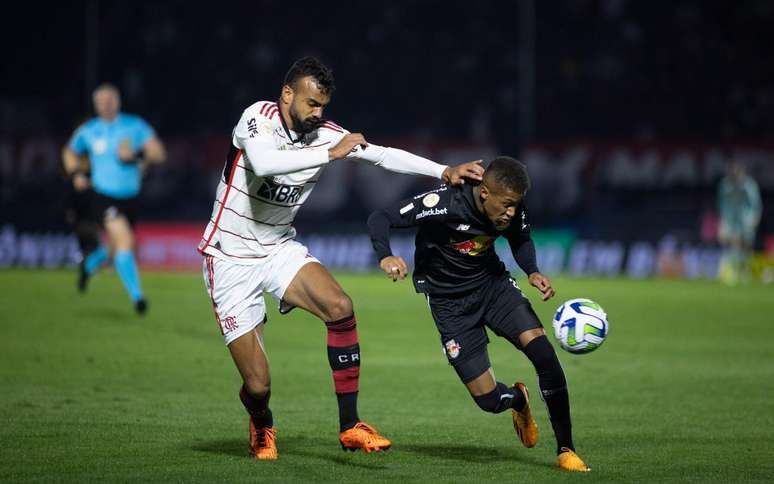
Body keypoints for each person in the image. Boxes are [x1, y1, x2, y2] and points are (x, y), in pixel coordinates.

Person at [197, 56, 483, 460]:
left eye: (323, 107)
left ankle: (350, 426)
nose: (318, 113)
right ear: (287, 94)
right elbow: (264, 163)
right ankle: (262, 422)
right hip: (228, 257)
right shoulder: (256, 119)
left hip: (278, 248)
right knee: (258, 385)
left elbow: (382, 155)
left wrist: (444, 171)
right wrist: (331, 155)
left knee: (340, 306)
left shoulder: (326, 134)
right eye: (312, 104)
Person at [367, 156, 591, 472]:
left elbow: (521, 237)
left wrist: (532, 271)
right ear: (484, 192)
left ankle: (566, 449)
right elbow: (381, 217)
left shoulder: (511, 208)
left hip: (493, 287)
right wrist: (386, 256)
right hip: (449, 304)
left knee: (543, 354)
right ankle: (517, 400)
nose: (511, 212)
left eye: (516, 205)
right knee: (489, 401)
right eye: (507, 205)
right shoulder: (443, 203)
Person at [62, 83, 167, 314]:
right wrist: (76, 174)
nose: (106, 104)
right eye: (101, 101)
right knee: (125, 241)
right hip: (102, 197)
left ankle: (89, 265)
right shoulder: (89, 131)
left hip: (130, 199)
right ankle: (138, 298)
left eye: (110, 100)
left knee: (116, 247)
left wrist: (137, 154)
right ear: (96, 104)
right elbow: (69, 152)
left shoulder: (134, 126)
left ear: (117, 102)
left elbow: (159, 152)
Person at [717, 160, 762, 285]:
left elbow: (755, 203)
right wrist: (723, 220)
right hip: (730, 219)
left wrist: (755, 217)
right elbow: (721, 203)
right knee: (732, 243)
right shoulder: (726, 185)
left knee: (746, 245)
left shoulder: (749, 185)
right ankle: (732, 271)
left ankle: (745, 271)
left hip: (746, 219)